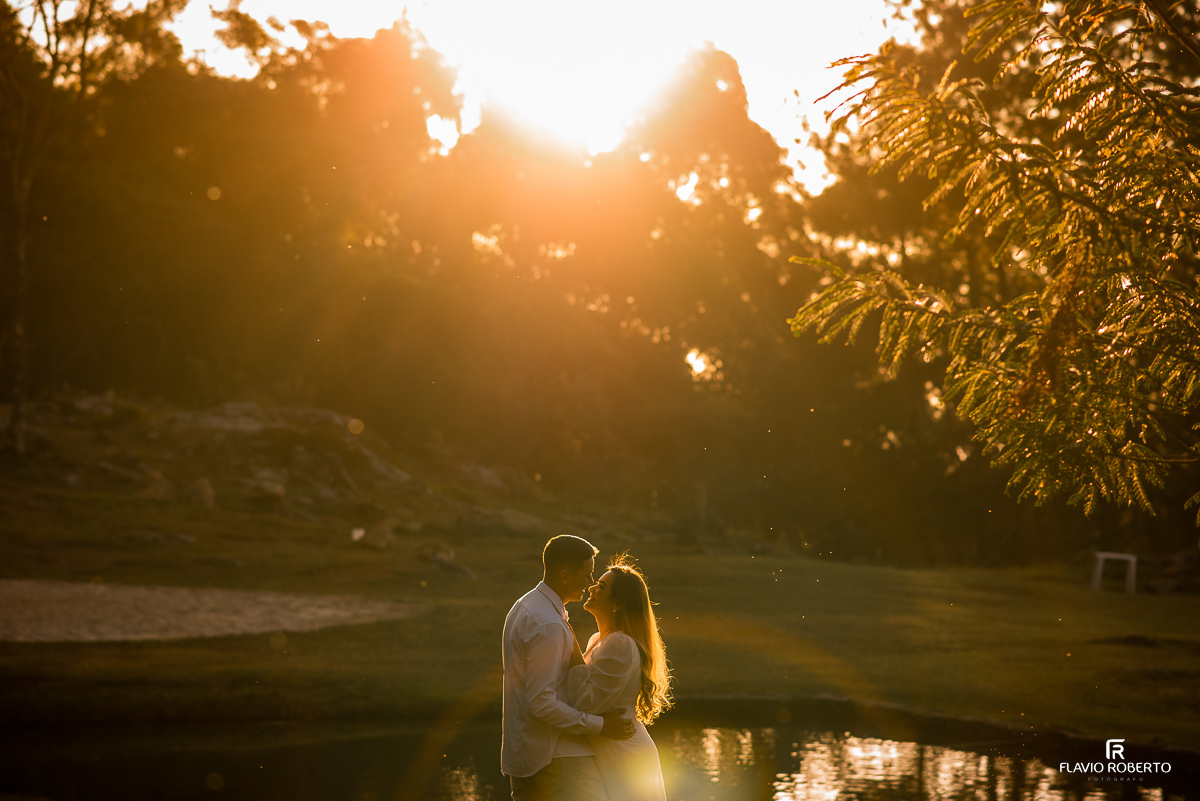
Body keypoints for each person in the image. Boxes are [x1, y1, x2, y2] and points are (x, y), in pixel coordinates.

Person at [502, 535, 635, 801]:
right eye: (586, 575)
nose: (590, 582)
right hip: (556, 758)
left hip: (530, 755)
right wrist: (600, 725)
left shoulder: (525, 605)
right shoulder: (547, 624)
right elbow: (540, 703)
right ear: (564, 577)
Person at [567, 555, 671, 801]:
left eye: (602, 587)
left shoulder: (620, 643)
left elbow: (585, 702)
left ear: (617, 604)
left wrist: (571, 649)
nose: (592, 587)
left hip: (624, 756)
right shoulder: (598, 640)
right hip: (612, 752)